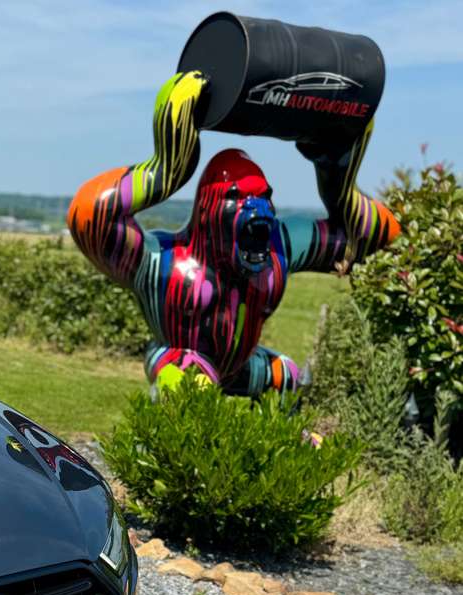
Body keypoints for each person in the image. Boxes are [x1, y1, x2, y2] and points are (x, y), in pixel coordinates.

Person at [67, 70, 401, 397]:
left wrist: (338, 175)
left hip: (240, 365)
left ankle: (271, 434)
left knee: (287, 377)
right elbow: (90, 214)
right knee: (190, 382)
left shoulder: (278, 249)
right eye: (236, 197)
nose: (257, 207)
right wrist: (167, 168)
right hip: (178, 357)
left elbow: (376, 241)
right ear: (207, 212)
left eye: (264, 196)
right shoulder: (164, 262)